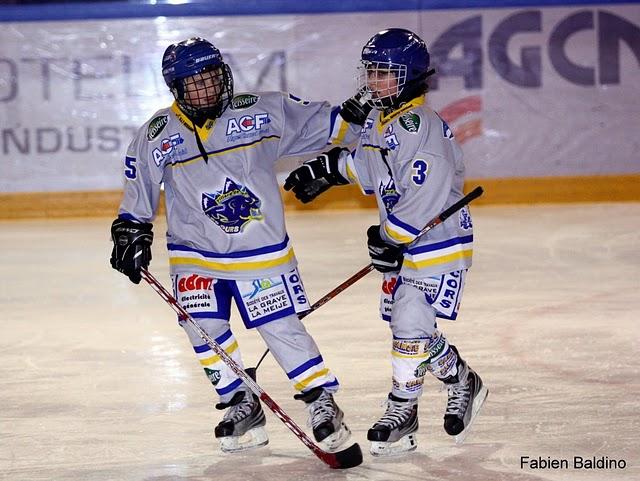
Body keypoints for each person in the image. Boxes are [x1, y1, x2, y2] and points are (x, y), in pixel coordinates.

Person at [109, 37, 368, 454]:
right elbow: (137, 193)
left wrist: (354, 117)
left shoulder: (260, 111)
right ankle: (239, 399)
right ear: (176, 88)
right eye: (195, 83)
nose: (208, 88)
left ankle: (321, 399)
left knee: (278, 327)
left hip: (260, 252)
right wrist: (130, 230)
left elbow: (331, 126)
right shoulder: (157, 134)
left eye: (212, 78)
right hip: (194, 254)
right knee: (201, 327)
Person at [284, 28, 488, 456]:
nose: (374, 81)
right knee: (413, 327)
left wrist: (389, 237)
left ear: (410, 77)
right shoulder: (381, 120)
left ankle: (403, 408)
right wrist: (326, 171)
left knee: (409, 319)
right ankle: (461, 380)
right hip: (406, 243)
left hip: (438, 242)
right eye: (371, 71)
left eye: (385, 73)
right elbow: (369, 167)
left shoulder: (420, 125)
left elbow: (426, 194)